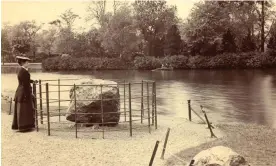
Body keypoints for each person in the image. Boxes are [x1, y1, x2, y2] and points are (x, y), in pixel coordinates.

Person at [12, 55, 36, 132]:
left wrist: (32, 81)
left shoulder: (21, 70)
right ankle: (24, 126)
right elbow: (25, 84)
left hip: (20, 91)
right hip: (24, 92)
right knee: (25, 109)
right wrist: (28, 94)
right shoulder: (24, 72)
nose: (28, 63)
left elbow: (25, 80)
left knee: (21, 109)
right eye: (27, 62)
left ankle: (21, 126)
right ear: (23, 63)